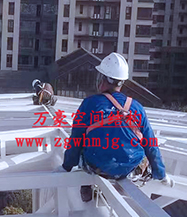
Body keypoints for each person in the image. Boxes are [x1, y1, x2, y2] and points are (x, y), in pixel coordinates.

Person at [60, 52, 173, 200]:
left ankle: (87, 187)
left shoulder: (89, 104)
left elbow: (75, 140)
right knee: (142, 156)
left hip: (98, 167)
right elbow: (150, 143)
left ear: (103, 79)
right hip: (130, 169)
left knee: (83, 145)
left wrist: (66, 167)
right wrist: (161, 174)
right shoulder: (136, 107)